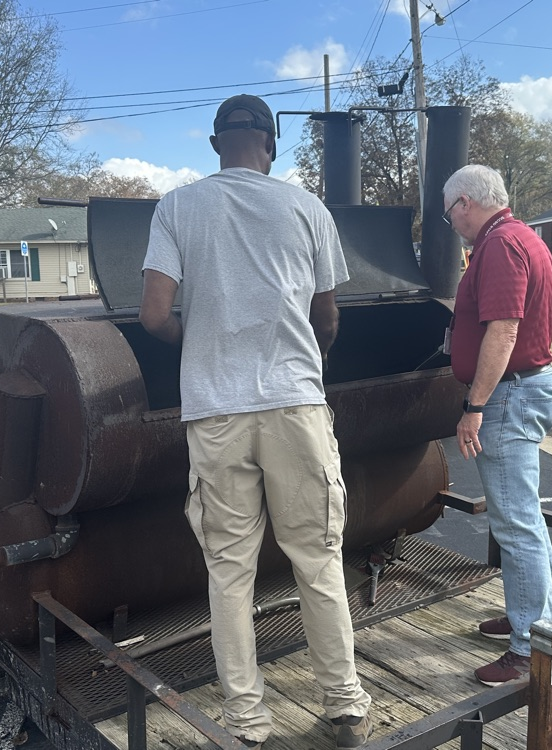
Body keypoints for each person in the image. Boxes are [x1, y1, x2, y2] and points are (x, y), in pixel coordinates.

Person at [139, 94, 372, 748]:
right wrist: (308, 359)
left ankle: (246, 724)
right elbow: (327, 317)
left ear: (216, 144)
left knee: (230, 573)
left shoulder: (178, 205)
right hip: (294, 406)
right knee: (318, 563)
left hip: (215, 414)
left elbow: (154, 315)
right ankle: (346, 708)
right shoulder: (305, 207)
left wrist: (206, 337)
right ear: (271, 145)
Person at [442, 164, 552, 687]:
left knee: (515, 526)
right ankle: (537, 620)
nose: (452, 224)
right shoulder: (526, 238)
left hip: (508, 397)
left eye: (450, 215)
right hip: (526, 387)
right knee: (524, 520)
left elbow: (504, 331)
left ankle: (527, 653)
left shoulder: (497, 246)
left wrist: (474, 405)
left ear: (466, 202)